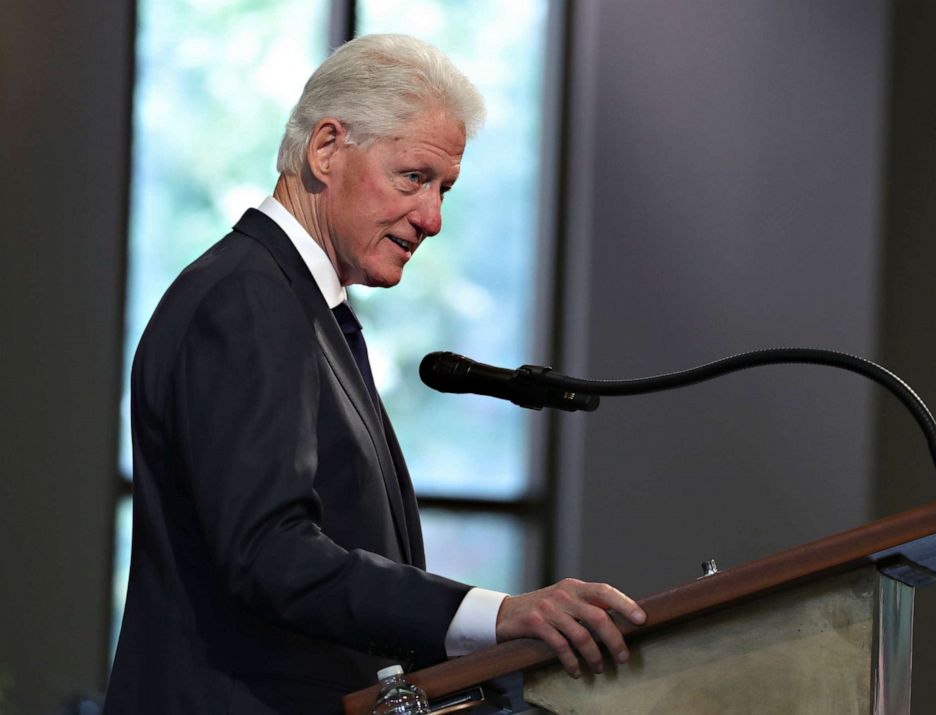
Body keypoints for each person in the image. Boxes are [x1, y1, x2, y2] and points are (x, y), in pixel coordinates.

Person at [104, 34, 646, 715]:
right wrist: (498, 612)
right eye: (414, 177)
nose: (433, 218)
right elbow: (270, 554)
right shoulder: (247, 298)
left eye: (444, 188)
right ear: (326, 148)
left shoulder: (296, 302)